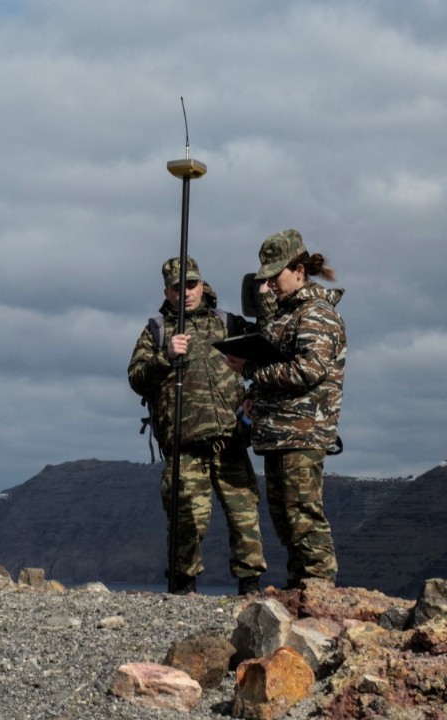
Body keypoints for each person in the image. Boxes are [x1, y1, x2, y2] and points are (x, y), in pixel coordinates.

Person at [128, 256, 268, 595]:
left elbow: (264, 353)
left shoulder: (228, 324)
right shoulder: (158, 331)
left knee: (244, 517)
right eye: (178, 288)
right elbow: (136, 378)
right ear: (168, 292)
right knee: (186, 519)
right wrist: (165, 357)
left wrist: (252, 398)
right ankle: (183, 588)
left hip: (231, 441)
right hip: (185, 447)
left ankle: (250, 588)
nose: (186, 293)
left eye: (191, 285)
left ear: (201, 285)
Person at [224, 229, 345, 589]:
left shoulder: (316, 315)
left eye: (274, 277)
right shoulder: (287, 316)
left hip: (303, 432)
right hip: (278, 431)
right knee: (285, 517)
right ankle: (301, 588)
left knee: (303, 516)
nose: (270, 286)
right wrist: (254, 392)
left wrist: (250, 370)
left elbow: (308, 370)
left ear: (298, 270)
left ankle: (321, 591)